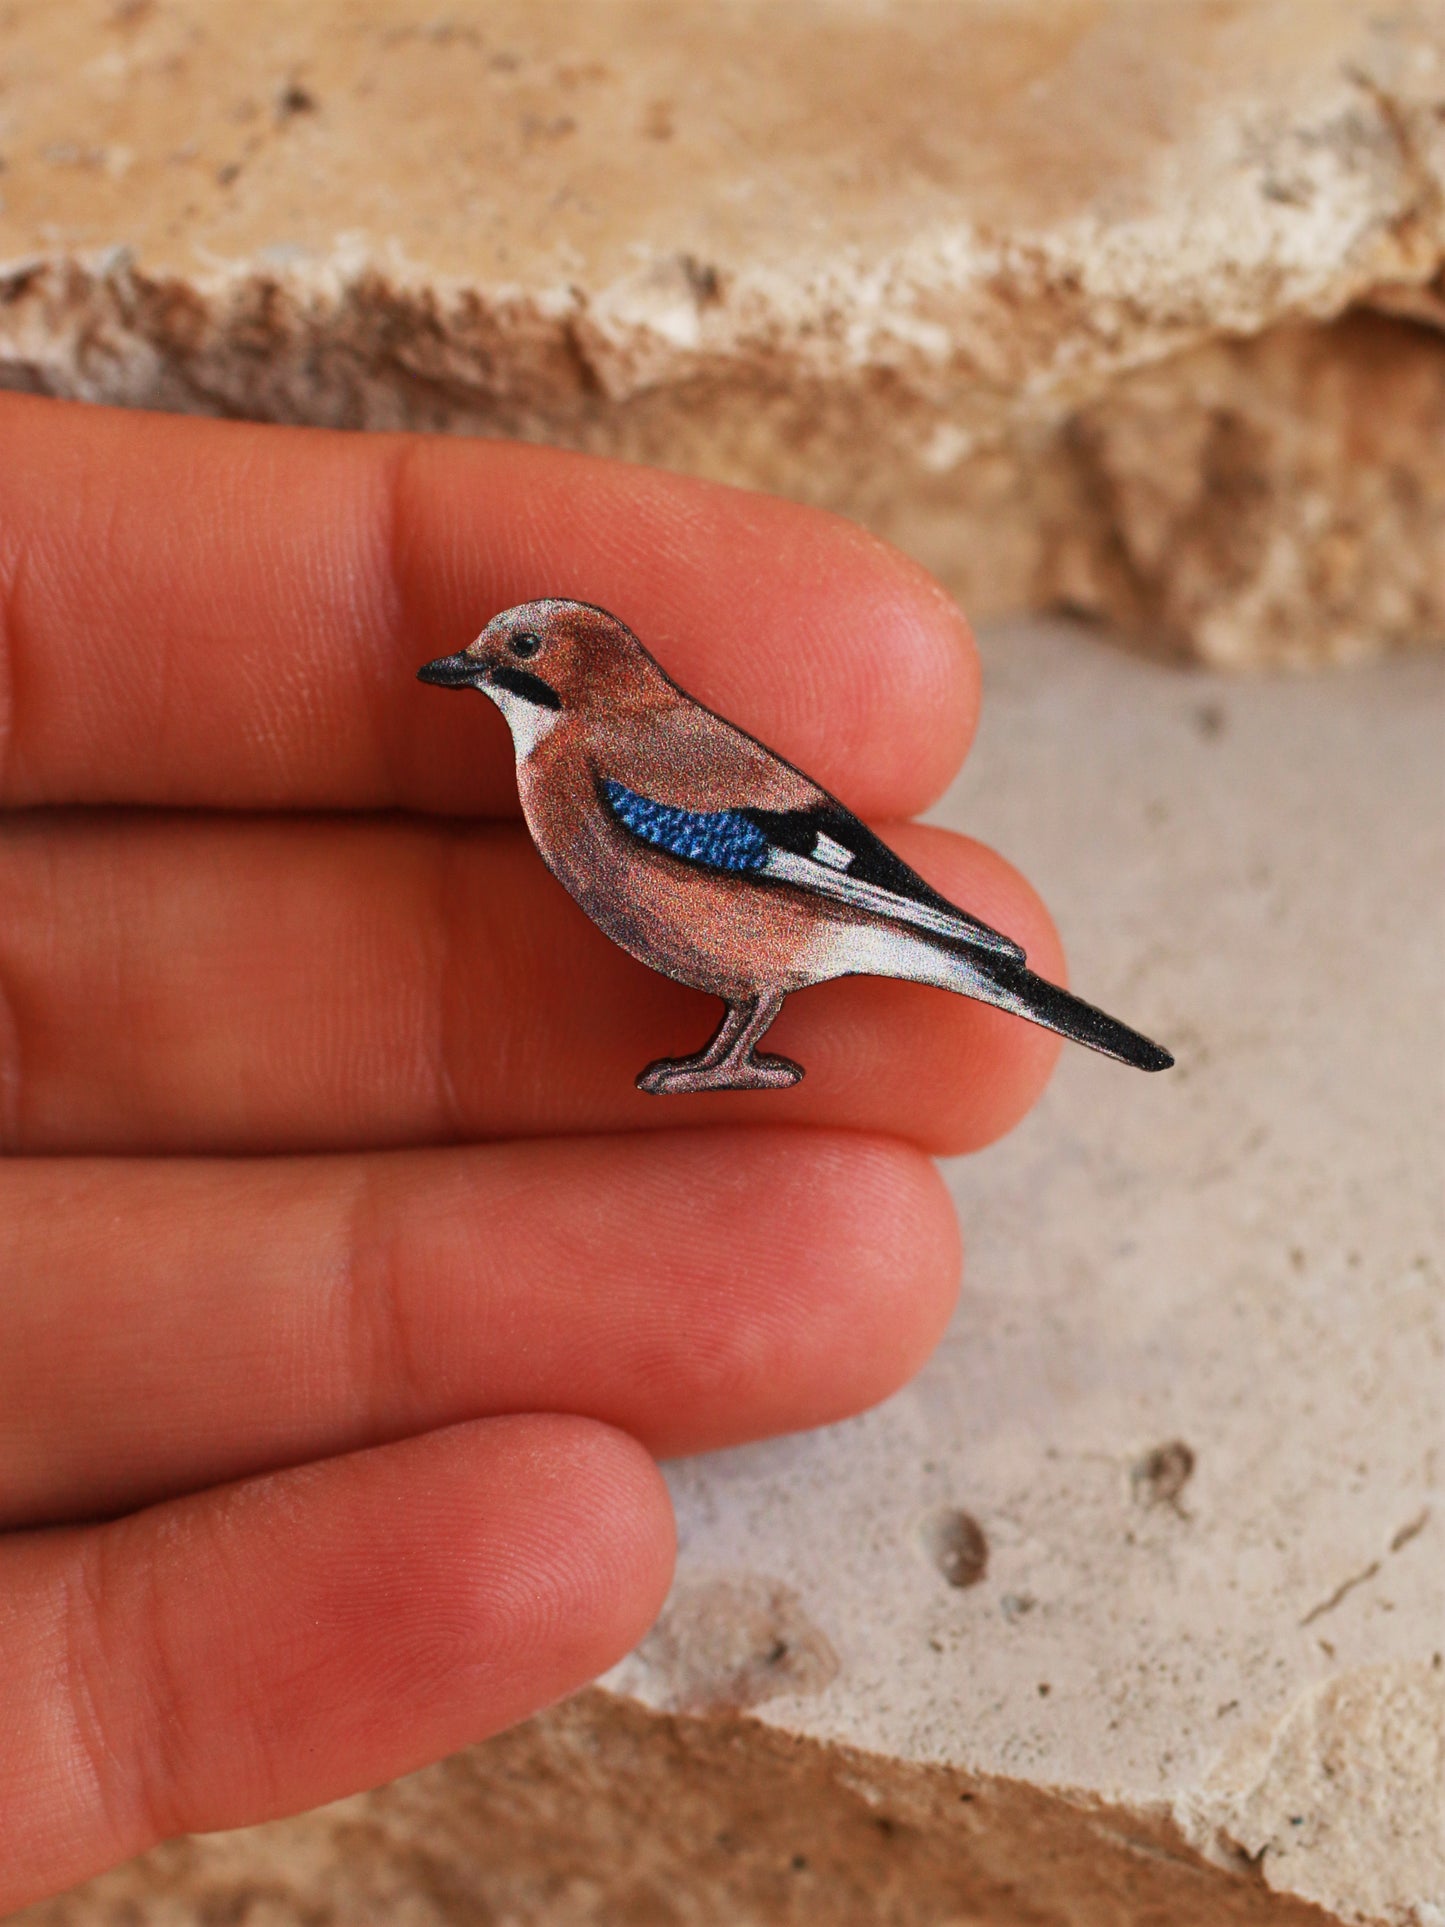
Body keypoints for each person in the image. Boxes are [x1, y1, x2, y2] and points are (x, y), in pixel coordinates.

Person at [0, 393, 1062, 1907]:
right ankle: (736, 1046)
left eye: (517, 662)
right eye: (490, 660)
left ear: (574, 681)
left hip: (813, 909)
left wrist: (936, 941)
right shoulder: (573, 768)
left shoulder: (614, 763)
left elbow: (787, 860)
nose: (488, 678)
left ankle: (749, 1043)